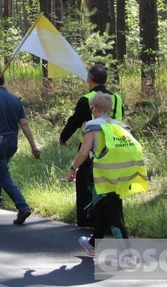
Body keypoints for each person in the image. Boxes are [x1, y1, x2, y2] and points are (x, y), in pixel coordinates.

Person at [69, 93, 146, 257]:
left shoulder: (92, 126)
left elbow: (83, 152)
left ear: (94, 109)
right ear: (109, 110)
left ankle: (127, 255)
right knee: (103, 210)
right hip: (120, 176)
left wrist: (73, 167)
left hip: (103, 178)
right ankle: (92, 245)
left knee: (113, 216)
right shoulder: (120, 126)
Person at [60, 64, 124, 228]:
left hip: (91, 147)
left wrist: (63, 137)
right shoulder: (116, 98)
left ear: (89, 79)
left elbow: (75, 121)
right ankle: (113, 222)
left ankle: (88, 221)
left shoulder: (87, 99)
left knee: (85, 185)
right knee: (111, 186)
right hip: (114, 146)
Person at [0, 71, 41, 225]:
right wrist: (33, 146)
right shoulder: (14, 99)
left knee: (3, 174)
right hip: (12, 142)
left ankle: (22, 206)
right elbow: (24, 124)